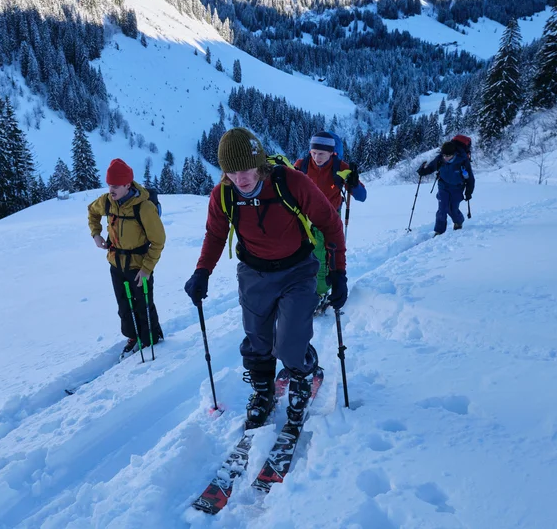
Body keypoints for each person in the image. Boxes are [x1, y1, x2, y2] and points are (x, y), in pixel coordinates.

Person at [184, 128, 347, 430]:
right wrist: (202, 271)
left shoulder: (291, 182)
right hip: (254, 273)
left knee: (289, 341)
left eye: (245, 170)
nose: (240, 178)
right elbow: (216, 234)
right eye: (231, 172)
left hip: (297, 270)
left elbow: (330, 223)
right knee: (257, 339)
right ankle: (263, 392)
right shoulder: (223, 194)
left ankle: (302, 374)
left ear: (259, 164)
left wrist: (338, 273)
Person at [88, 158, 166, 359]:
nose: (110, 189)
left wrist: (147, 268)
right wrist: (96, 234)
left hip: (139, 266)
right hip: (116, 264)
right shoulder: (106, 201)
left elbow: (158, 241)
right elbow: (92, 211)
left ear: (127, 185)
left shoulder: (144, 208)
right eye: (109, 185)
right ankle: (132, 337)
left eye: (115, 186)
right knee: (124, 306)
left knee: (143, 305)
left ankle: (151, 341)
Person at [295, 131, 367, 308]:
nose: (317, 157)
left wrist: (354, 182)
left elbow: (361, 196)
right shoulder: (302, 166)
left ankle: (319, 293)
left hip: (329, 219)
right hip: (304, 219)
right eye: (314, 153)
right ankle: (306, 290)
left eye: (322, 153)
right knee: (302, 256)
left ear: (331, 152)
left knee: (323, 256)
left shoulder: (340, 168)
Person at [417, 140, 475, 236]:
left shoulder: (462, 161)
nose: (446, 158)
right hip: (443, 186)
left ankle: (458, 221)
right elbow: (431, 167)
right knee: (442, 209)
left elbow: (470, 178)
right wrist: (422, 171)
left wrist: (469, 192)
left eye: (448, 156)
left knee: (452, 209)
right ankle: (439, 231)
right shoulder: (440, 159)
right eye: (444, 155)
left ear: (454, 154)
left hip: (457, 188)